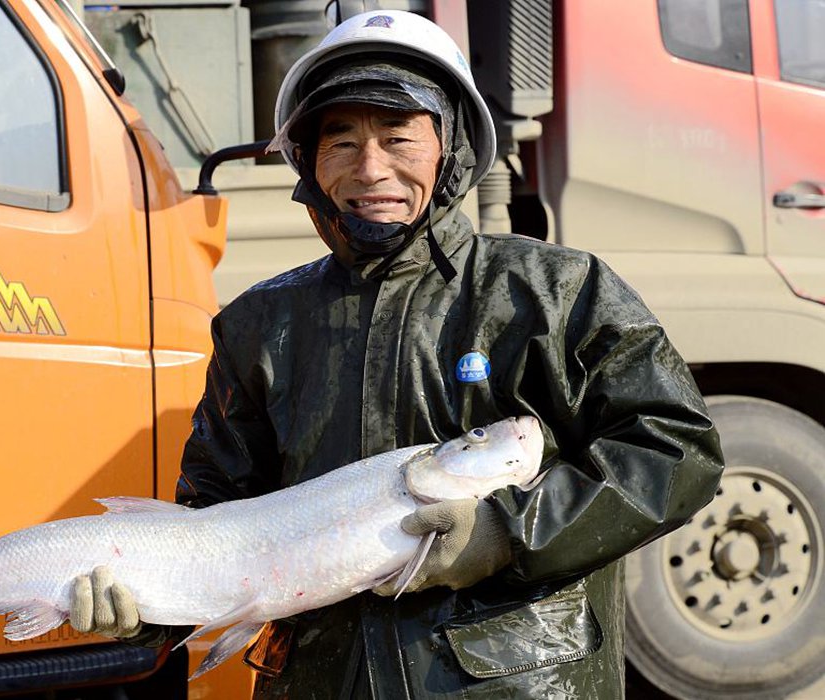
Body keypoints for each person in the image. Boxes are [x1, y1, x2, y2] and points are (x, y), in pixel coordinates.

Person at [70, 9, 724, 699]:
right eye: (341, 142)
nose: (370, 168)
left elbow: (674, 449)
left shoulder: (555, 291)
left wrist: (504, 533)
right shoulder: (258, 326)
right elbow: (214, 521)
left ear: (450, 148)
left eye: (398, 136)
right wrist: (142, 610)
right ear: (309, 163)